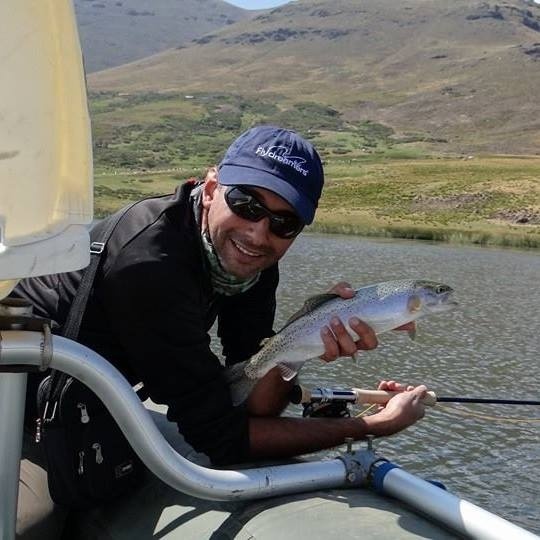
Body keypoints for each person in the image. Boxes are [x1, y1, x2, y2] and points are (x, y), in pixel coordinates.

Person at [13, 125, 427, 538]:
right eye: (246, 203)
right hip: (16, 400)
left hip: (85, 400)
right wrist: (370, 427)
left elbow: (254, 400)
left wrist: (303, 342)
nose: (259, 232)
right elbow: (221, 439)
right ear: (211, 187)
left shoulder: (251, 263)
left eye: (285, 223)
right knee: (30, 526)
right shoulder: (149, 263)